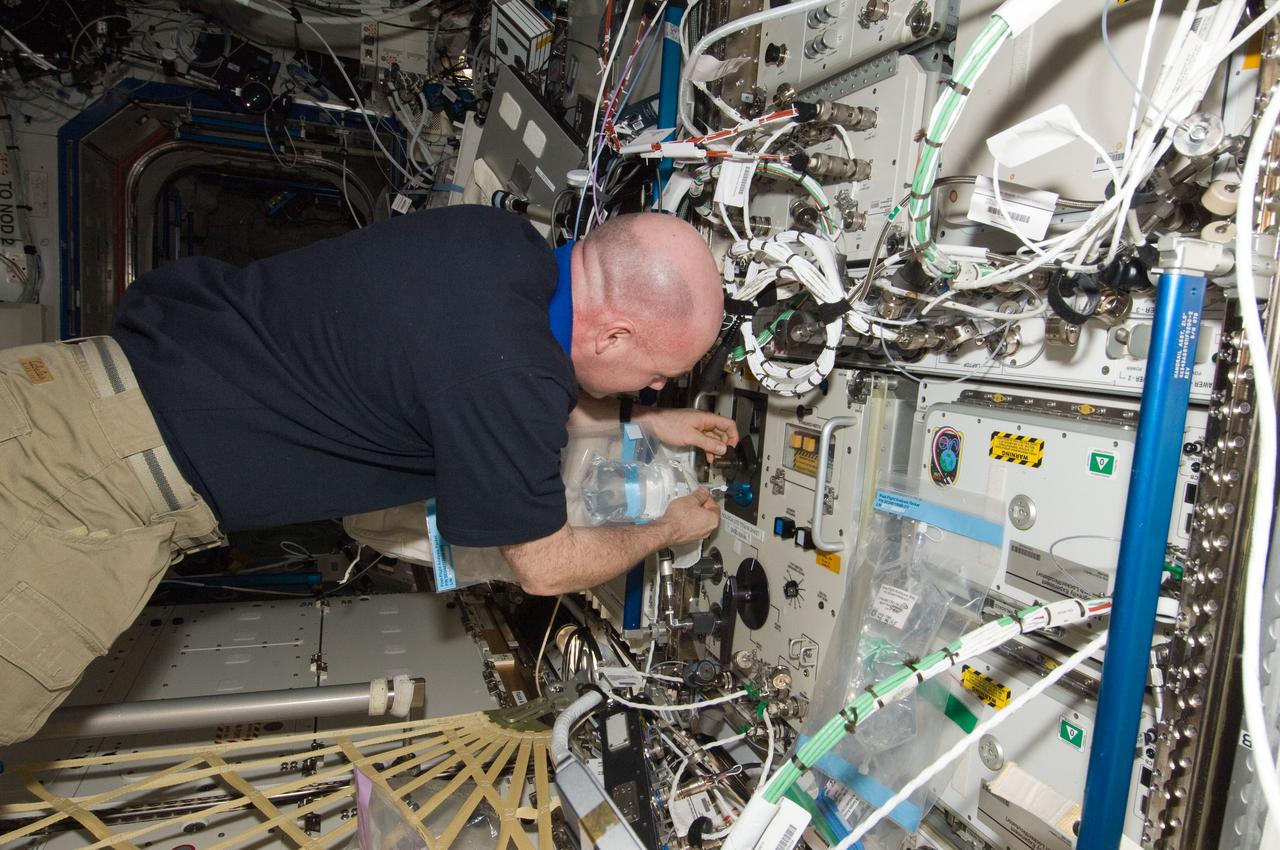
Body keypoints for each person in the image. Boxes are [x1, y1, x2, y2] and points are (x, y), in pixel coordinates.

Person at [0, 206, 736, 744]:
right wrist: (667, 528)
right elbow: (548, 568)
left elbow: (482, 375)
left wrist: (644, 424)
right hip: (77, 490)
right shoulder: (508, 374)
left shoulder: (499, 242)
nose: (651, 387)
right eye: (656, 374)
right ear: (614, 333)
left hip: (60, 398)